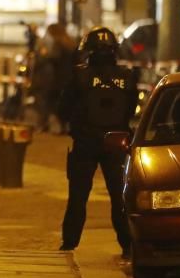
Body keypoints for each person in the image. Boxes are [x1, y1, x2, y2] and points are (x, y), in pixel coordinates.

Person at [57, 26, 135, 258]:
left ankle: (69, 244)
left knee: (78, 197)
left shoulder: (79, 77)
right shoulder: (127, 78)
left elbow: (62, 109)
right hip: (116, 143)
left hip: (85, 143)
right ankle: (127, 244)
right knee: (119, 197)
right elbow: (130, 110)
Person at [30, 23, 77, 133]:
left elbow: (53, 58)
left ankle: (46, 124)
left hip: (57, 78)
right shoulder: (71, 43)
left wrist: (44, 56)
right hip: (68, 77)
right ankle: (65, 126)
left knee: (50, 101)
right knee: (65, 102)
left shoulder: (58, 43)